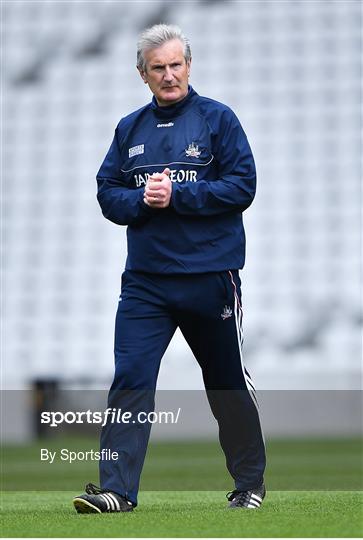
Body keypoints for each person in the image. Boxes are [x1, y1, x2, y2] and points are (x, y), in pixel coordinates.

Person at [73, 23, 266, 514]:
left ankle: (249, 485)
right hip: (146, 283)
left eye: (175, 64)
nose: (168, 74)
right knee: (131, 378)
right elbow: (107, 193)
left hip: (210, 277)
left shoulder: (218, 120)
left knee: (225, 385)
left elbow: (242, 186)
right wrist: (141, 198)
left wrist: (178, 195)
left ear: (189, 65)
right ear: (143, 74)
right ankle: (117, 491)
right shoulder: (129, 129)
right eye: (157, 68)